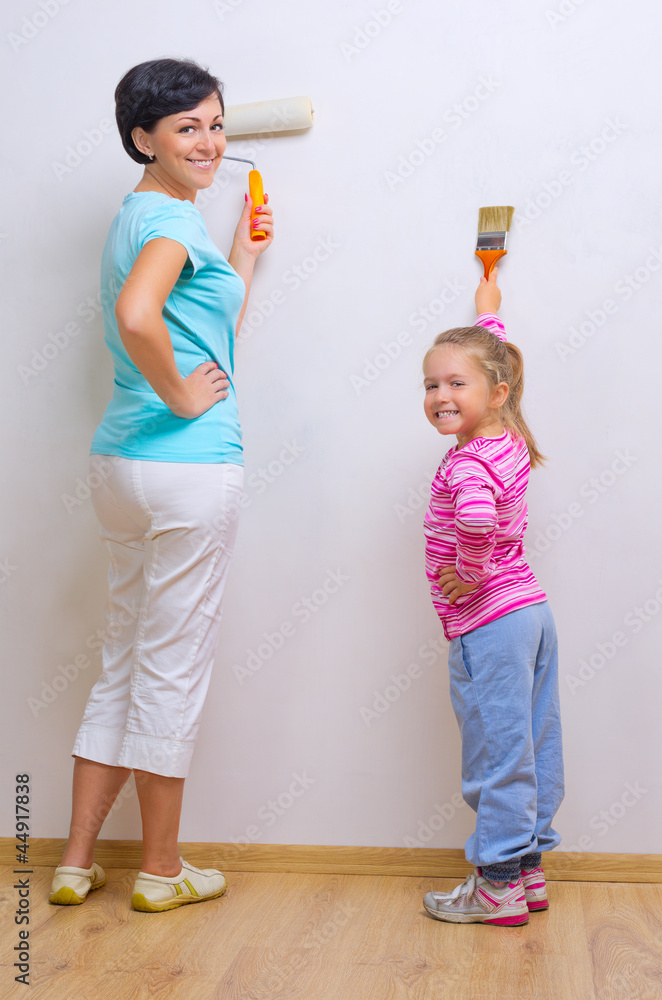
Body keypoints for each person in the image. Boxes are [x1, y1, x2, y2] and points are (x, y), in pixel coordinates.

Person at [49, 58, 273, 913]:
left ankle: (74, 862)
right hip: (190, 467)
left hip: (121, 468)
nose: (209, 141)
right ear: (143, 137)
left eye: (216, 124)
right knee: (172, 668)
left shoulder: (144, 218)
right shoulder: (168, 224)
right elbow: (140, 317)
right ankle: (161, 869)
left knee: (123, 657)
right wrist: (183, 394)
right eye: (187, 127)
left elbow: (197, 328)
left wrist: (242, 258)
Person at [420, 269, 563, 926]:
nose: (440, 395)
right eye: (432, 384)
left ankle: (498, 886)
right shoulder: (505, 434)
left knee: (496, 748)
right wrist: (488, 307)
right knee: (532, 740)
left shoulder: (470, 461)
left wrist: (470, 571)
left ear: (496, 391)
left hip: (491, 621)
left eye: (456, 384)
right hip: (530, 613)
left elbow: (475, 521)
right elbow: (494, 352)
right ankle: (527, 869)